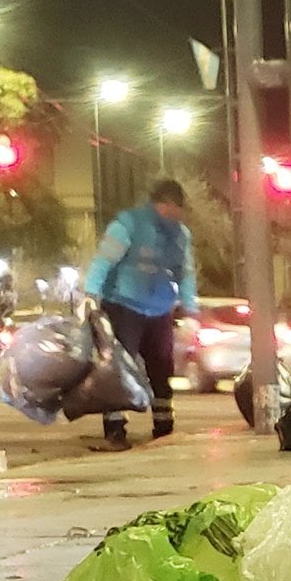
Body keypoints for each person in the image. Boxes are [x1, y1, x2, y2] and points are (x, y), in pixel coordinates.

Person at [84, 177, 199, 450]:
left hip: (159, 309)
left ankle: (163, 426)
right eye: (173, 207)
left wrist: (191, 308)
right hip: (124, 305)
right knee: (121, 368)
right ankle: (115, 428)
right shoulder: (128, 225)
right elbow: (104, 260)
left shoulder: (181, 235)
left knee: (162, 366)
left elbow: (185, 273)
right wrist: (91, 294)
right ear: (162, 203)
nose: (176, 214)